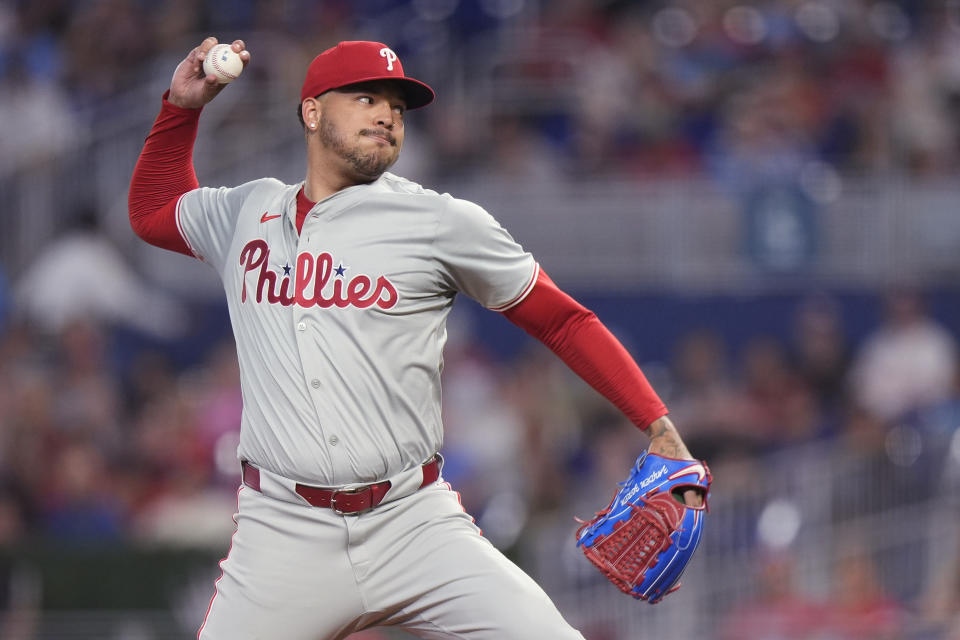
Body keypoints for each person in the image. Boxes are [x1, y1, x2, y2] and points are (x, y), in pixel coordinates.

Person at [128, 37, 703, 639]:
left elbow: (563, 320)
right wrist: (181, 107)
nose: (387, 115)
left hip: (413, 522)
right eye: (367, 98)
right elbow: (152, 210)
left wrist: (659, 426)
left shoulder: (439, 221)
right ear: (312, 112)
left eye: (398, 107)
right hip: (282, 533)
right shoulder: (247, 213)